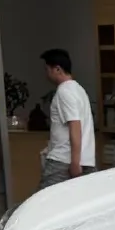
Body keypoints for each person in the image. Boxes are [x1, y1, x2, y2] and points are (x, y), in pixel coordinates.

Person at [39, 49, 96, 189]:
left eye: (47, 69)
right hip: (85, 159)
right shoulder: (79, 90)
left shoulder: (64, 91)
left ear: (57, 69)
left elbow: (74, 125)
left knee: (44, 204)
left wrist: (75, 163)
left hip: (64, 162)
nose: (46, 74)